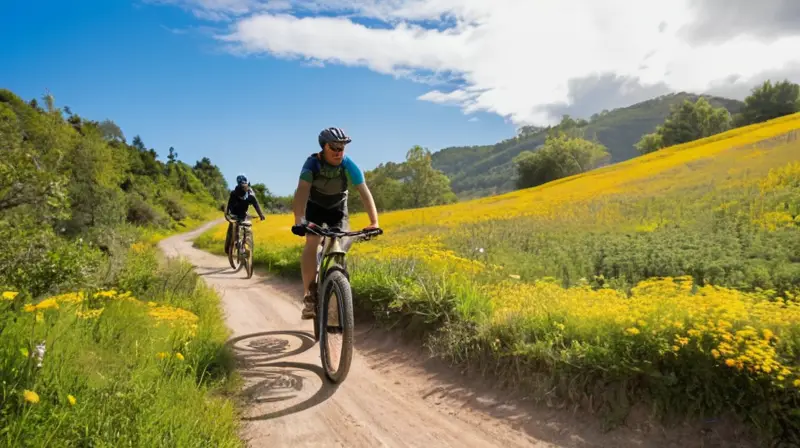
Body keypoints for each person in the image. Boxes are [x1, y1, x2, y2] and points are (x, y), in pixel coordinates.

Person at [291, 127, 379, 319]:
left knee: (342, 241)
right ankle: (309, 296)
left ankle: (337, 281)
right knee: (312, 243)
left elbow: (364, 193)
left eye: (342, 147)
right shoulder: (312, 164)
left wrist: (374, 222)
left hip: (338, 208)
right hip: (315, 207)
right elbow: (302, 192)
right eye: (334, 147)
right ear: (324, 147)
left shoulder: (348, 164)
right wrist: (299, 219)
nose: (339, 152)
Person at [225, 174, 265, 255]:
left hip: (243, 213)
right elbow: (229, 206)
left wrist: (261, 215)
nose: (241, 197)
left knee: (247, 227)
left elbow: (256, 205)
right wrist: (228, 215)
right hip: (234, 213)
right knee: (231, 230)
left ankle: (244, 244)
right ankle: (228, 247)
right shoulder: (233, 194)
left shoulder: (251, 195)